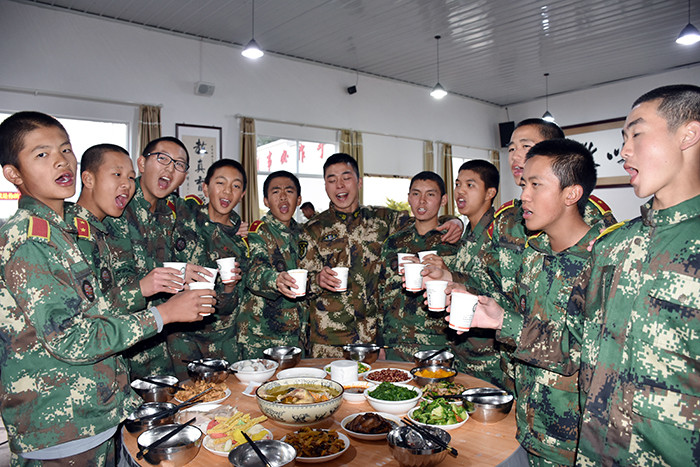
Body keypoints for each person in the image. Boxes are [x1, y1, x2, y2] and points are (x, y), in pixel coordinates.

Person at [0, 112, 212, 465]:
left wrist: (150, 288)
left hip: (91, 412)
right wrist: (163, 313)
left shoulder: (61, 231)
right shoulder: (30, 239)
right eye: (42, 154)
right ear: (14, 174)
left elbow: (97, 308)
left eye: (65, 150)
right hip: (60, 422)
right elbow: (70, 338)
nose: (61, 161)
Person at [424, 118, 617, 391]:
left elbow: (593, 341)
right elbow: (496, 283)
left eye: (526, 147)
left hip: (564, 387)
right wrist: (453, 280)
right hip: (515, 367)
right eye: (512, 148)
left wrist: (505, 322)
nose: (516, 156)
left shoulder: (596, 233)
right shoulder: (509, 221)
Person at [459, 138, 605, 465]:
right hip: (525, 422)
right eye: (524, 184)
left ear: (571, 194)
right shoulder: (535, 256)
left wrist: (505, 323)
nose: (524, 195)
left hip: (571, 440)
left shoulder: (602, 262)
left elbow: (588, 353)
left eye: (536, 185)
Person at [576, 84, 700, 465]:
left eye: (636, 134)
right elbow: (575, 339)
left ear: (688, 134)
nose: (624, 152)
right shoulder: (613, 246)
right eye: (622, 139)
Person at [299, 153, 464, 357]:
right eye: (332, 180)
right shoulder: (312, 229)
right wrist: (317, 280)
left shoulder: (383, 220)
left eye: (346, 178)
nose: (339, 185)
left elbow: (424, 217)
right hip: (329, 339)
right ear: (325, 185)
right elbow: (299, 283)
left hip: (372, 338)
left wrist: (455, 222)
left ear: (359, 182)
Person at [104, 136, 208, 379]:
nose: (170, 169)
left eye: (179, 165)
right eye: (162, 159)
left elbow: (209, 219)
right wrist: (171, 275)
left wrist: (234, 227)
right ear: (141, 164)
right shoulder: (117, 206)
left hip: (167, 344)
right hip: (124, 344)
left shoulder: (174, 211)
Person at [67, 144, 188, 314]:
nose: (127, 184)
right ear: (88, 180)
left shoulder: (99, 231)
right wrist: (145, 291)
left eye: (131, 177)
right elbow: (86, 313)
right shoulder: (69, 231)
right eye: (117, 174)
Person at [167, 158, 248, 375]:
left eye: (236, 186)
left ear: (242, 195)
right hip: (180, 337)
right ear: (205, 188)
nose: (227, 191)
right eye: (220, 183)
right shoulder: (184, 216)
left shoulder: (241, 243)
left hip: (221, 340)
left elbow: (228, 307)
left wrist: (230, 288)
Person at [378, 171, 462, 361]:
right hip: (394, 343)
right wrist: (380, 341)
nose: (422, 201)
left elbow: (467, 291)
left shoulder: (454, 244)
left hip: (437, 345)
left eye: (430, 194)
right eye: (416, 194)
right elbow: (380, 293)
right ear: (409, 198)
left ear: (443, 200)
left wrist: (446, 273)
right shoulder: (393, 243)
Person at [438, 160, 503, 385]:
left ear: (490, 193)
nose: (460, 191)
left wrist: (448, 275)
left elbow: (498, 289)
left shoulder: (499, 233)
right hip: (462, 350)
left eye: (470, 185)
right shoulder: (468, 231)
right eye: (457, 184)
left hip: (488, 358)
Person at [238, 170, 307, 357]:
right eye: (276, 192)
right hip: (262, 337)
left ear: (298, 200)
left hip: (297, 335)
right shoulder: (258, 232)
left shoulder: (304, 234)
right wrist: (275, 280)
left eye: (289, 191)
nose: (283, 197)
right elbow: (254, 271)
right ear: (266, 201)